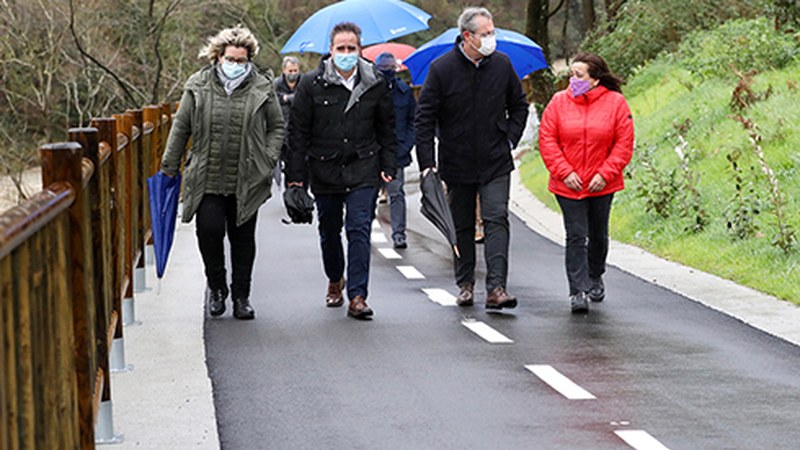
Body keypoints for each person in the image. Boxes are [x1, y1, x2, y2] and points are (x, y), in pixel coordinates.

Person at [161, 26, 284, 320]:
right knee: (209, 232)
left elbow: (277, 127)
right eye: (231, 59)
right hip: (207, 177)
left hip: (247, 177)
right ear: (218, 57)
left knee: (243, 239)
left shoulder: (262, 87)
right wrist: (169, 165)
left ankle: (242, 296)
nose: (236, 65)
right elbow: (181, 126)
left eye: (242, 61)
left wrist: (267, 158)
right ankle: (217, 288)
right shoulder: (198, 85)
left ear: (249, 60)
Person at [415, 7, 528, 310]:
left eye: (493, 33)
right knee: (462, 225)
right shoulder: (442, 70)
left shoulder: (502, 66)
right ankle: (465, 284)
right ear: (468, 36)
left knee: (496, 219)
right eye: (486, 34)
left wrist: (508, 139)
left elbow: (519, 106)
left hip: (495, 161)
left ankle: (497, 288)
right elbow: (424, 119)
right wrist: (427, 163)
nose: (492, 39)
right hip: (457, 161)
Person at [286, 22, 396, 320]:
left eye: (351, 48)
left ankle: (358, 295)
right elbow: (297, 134)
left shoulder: (375, 82)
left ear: (360, 49)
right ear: (331, 51)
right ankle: (335, 278)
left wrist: (389, 164)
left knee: (359, 228)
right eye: (340, 48)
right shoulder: (311, 84)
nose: (346, 54)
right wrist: (295, 178)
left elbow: (387, 127)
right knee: (329, 230)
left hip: (363, 166)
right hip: (325, 168)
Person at [538, 52, 634, 313]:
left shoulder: (616, 103)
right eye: (571, 74)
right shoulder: (558, 102)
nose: (573, 79)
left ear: (595, 80)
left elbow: (623, 144)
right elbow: (547, 140)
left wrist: (604, 174)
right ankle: (577, 290)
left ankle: (595, 274)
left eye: (579, 75)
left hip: (602, 183)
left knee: (598, 234)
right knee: (576, 235)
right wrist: (564, 171)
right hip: (567, 184)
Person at [375, 52, 416, 249]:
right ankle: (362, 231)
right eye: (384, 69)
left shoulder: (403, 91)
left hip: (397, 152)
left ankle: (399, 234)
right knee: (366, 195)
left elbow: (412, 120)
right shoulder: (368, 90)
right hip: (372, 152)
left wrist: (407, 144)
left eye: (391, 68)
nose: (388, 72)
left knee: (396, 194)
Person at [274, 56, 302, 187]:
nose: (293, 74)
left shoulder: (304, 84)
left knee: (299, 168)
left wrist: (290, 99)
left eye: (295, 70)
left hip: (300, 131)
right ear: (284, 70)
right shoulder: (276, 85)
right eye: (290, 71)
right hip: (282, 132)